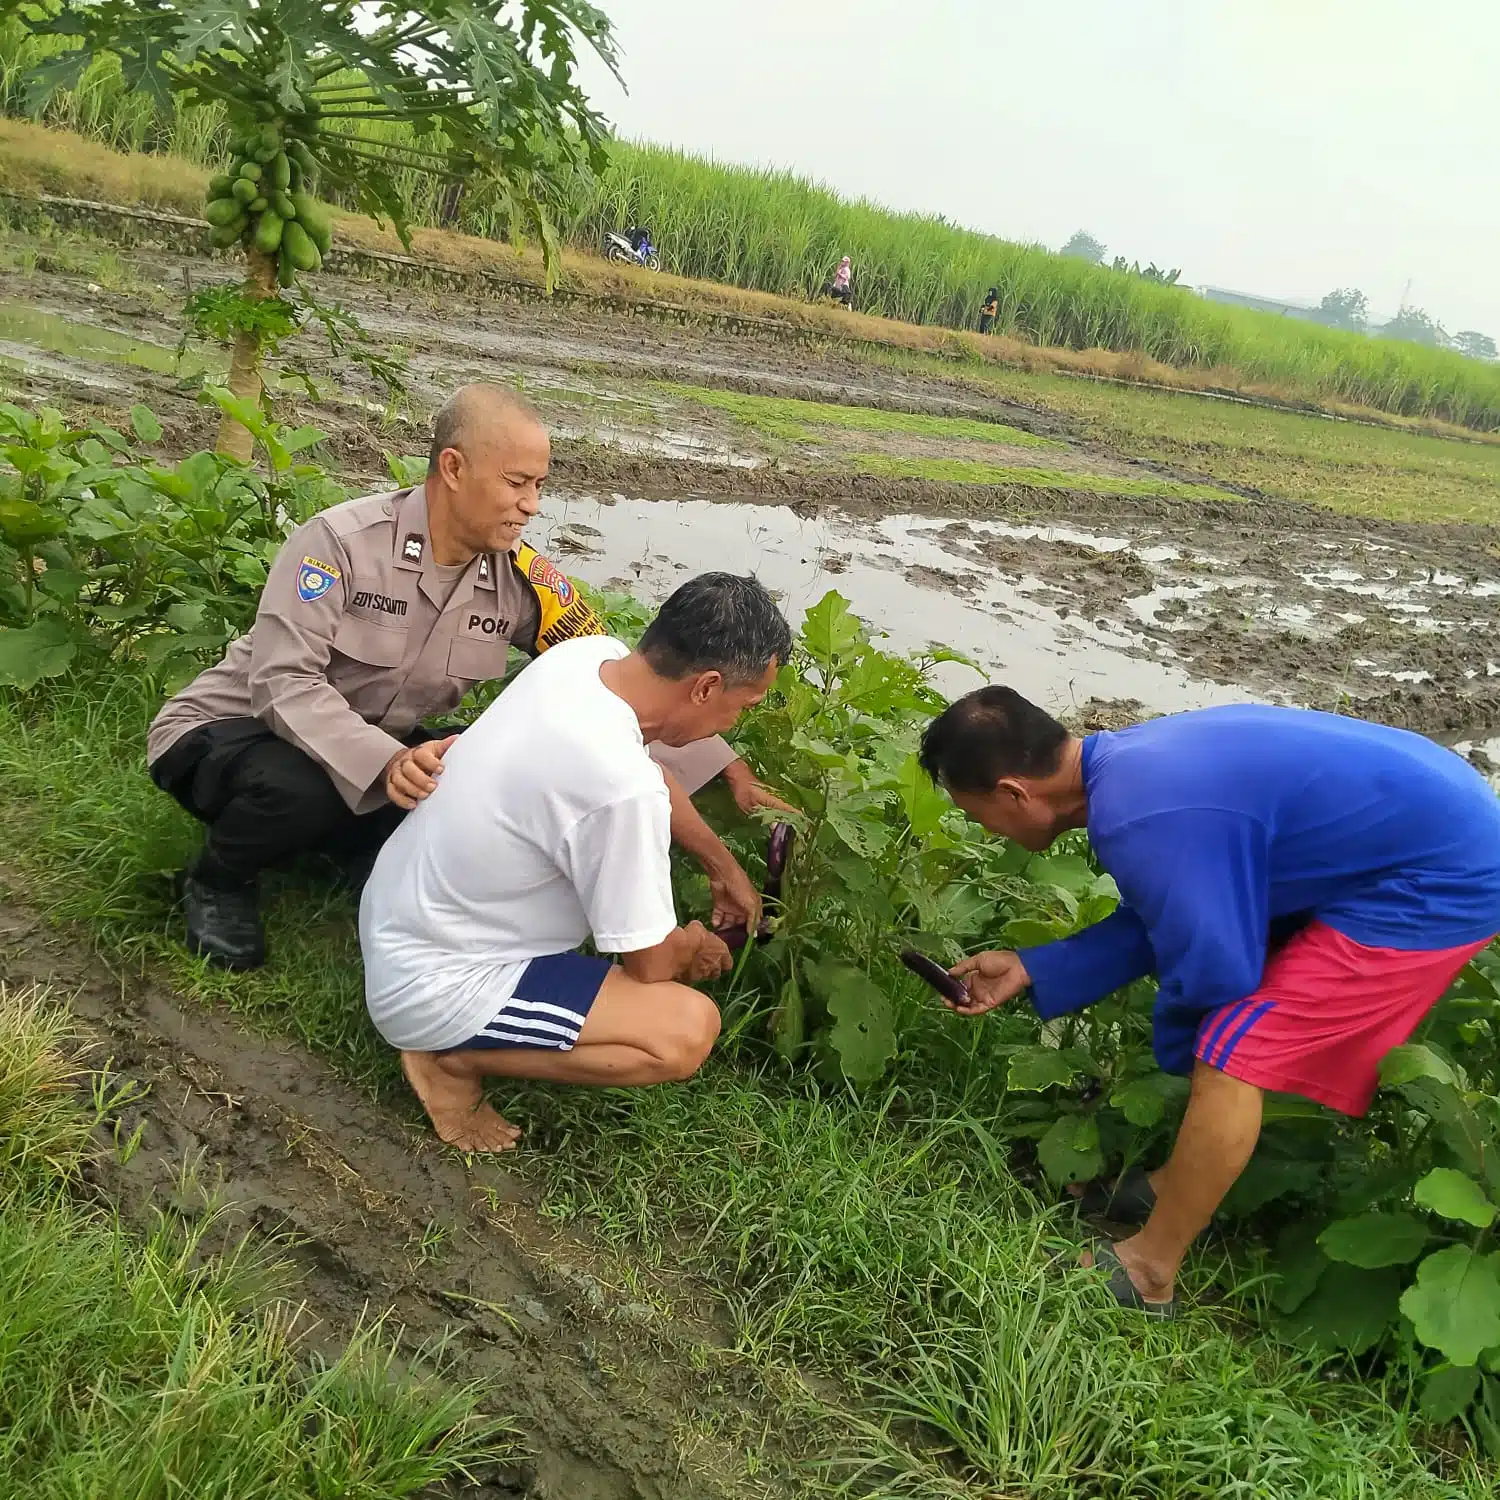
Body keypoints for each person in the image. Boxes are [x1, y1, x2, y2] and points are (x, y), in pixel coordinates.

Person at [146, 384, 790, 971]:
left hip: (380, 746)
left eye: (539, 486)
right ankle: (217, 880)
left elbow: (631, 677)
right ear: (453, 468)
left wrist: (723, 764)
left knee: (482, 763)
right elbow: (282, 682)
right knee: (304, 785)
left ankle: (340, 855)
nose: (531, 506)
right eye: (517, 483)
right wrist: (386, 761)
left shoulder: (523, 583)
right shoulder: (340, 544)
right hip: (228, 732)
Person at [919, 690, 1500, 1317]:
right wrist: (1034, 966)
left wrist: (1186, 1053)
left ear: (1014, 792)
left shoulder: (1138, 815)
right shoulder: (1129, 770)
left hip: (1439, 877)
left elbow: (1215, 969)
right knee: (1223, 1043)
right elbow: (1170, 908)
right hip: (1418, 836)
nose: (986, 830)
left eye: (978, 816)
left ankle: (1149, 1271)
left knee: (1233, 1052)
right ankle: (1174, 1187)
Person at [359, 572, 792, 1153]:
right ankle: (449, 1060)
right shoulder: (618, 788)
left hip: (401, 915)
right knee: (685, 1033)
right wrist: (691, 948)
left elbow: (650, 774)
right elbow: (650, 965)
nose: (736, 722)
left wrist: (722, 867)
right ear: (707, 687)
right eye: (746, 704)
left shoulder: (587, 661)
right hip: (436, 983)